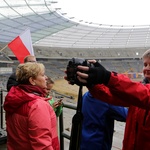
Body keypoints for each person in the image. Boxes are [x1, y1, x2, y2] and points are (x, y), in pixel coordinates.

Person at [65, 49, 150, 150]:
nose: (147, 68)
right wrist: (92, 84)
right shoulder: (136, 92)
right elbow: (112, 96)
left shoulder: (140, 93)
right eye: (145, 65)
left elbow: (144, 94)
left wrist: (108, 77)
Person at [4, 62, 60, 150]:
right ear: (32, 81)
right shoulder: (38, 105)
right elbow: (42, 145)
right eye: (42, 75)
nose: (46, 78)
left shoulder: (13, 98)